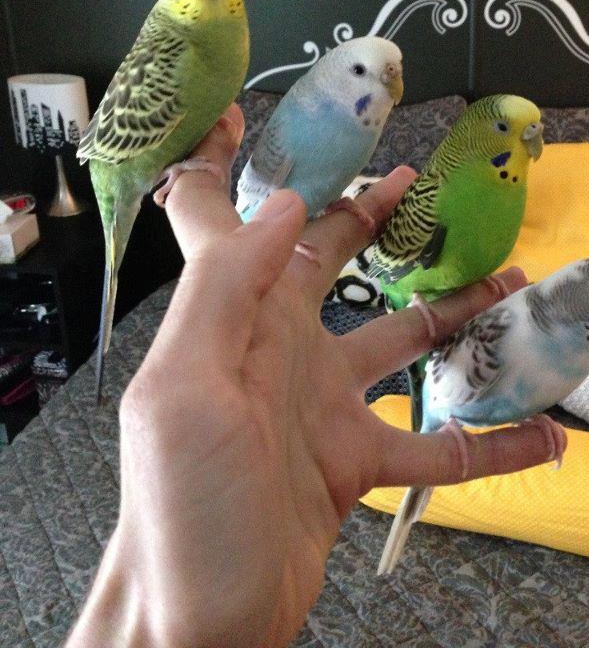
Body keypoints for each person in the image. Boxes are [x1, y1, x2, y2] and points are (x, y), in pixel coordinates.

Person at [65, 104, 561, 648]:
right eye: (505, 128)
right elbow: (389, 265)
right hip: (407, 293)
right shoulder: (437, 193)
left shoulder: (513, 193)